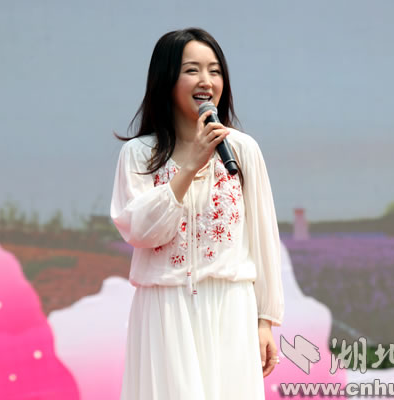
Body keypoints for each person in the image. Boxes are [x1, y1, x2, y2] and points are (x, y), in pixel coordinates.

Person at [110, 27, 284, 400]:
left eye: (214, 71)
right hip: (165, 308)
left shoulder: (242, 150)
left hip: (231, 306)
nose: (206, 81)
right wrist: (190, 165)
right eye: (192, 70)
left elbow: (264, 238)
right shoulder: (139, 154)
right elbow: (141, 231)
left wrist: (265, 321)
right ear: (166, 79)